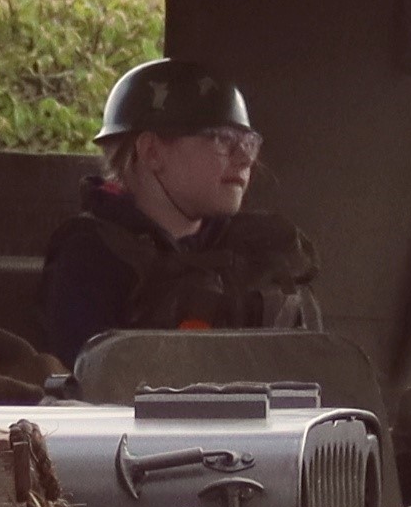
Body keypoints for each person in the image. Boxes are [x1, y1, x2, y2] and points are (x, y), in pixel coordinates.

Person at [39, 59, 323, 360]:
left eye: (248, 143)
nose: (244, 159)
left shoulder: (259, 251)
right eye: (222, 139)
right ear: (152, 151)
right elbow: (90, 386)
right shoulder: (93, 255)